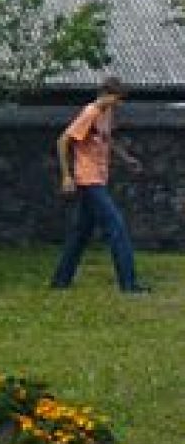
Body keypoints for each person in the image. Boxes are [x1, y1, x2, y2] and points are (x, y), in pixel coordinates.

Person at [51, 75, 149, 293]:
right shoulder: (90, 112)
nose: (119, 103)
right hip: (88, 179)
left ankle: (61, 281)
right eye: (116, 98)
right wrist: (67, 176)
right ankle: (129, 284)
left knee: (80, 233)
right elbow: (63, 141)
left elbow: (106, 138)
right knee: (117, 227)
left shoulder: (106, 112)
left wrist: (126, 159)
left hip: (98, 178)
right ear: (105, 94)